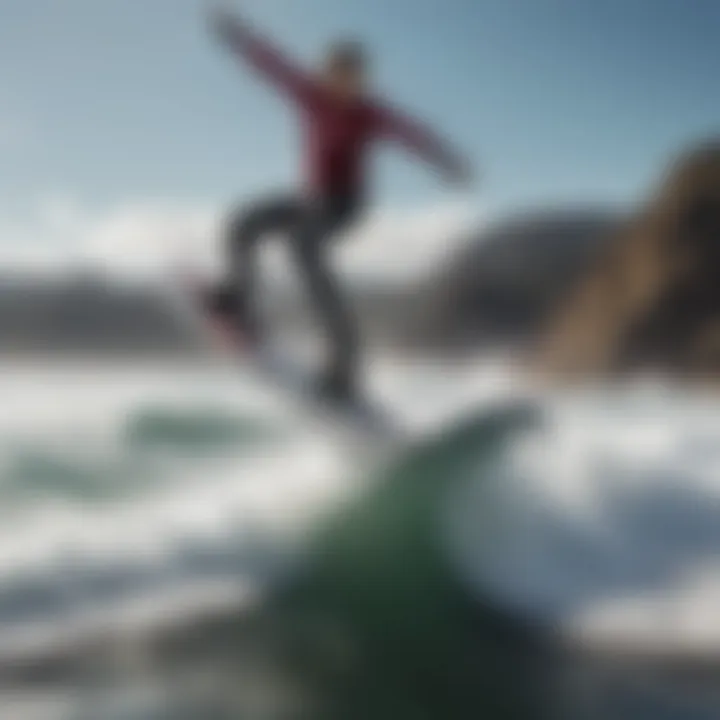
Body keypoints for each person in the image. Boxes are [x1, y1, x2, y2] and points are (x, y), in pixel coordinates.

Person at [206, 5, 472, 401]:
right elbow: (273, 66)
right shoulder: (310, 95)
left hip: (345, 205)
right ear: (327, 74)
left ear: (362, 81)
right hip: (310, 199)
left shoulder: (369, 114)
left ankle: (344, 366)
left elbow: (411, 133)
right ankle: (240, 299)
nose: (346, 85)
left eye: (354, 79)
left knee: (303, 249)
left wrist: (447, 161)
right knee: (244, 223)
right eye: (338, 76)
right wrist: (239, 38)